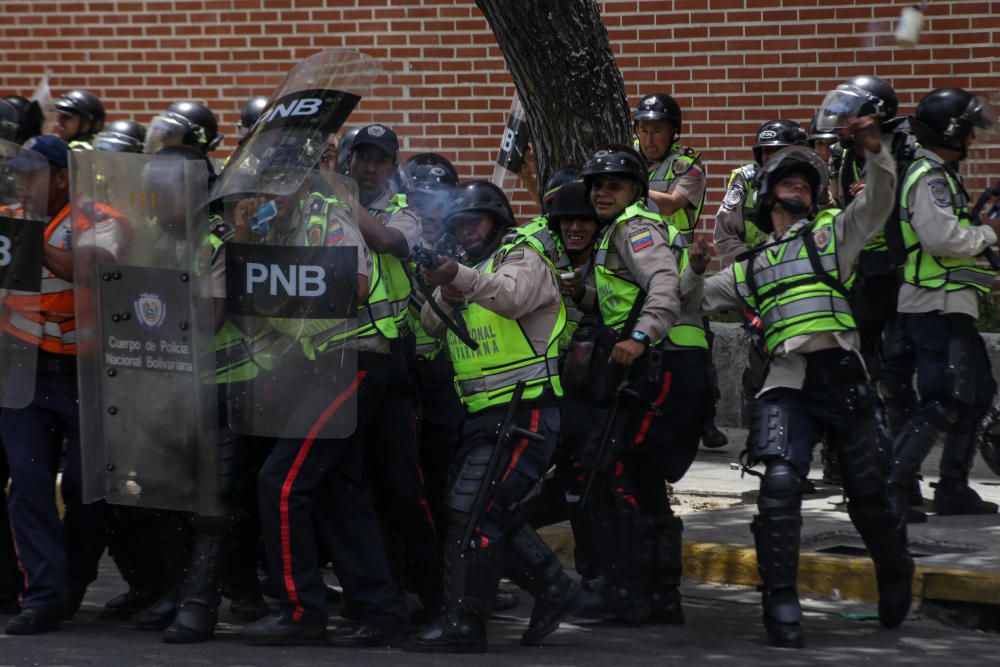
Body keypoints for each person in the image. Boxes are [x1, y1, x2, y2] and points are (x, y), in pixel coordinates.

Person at [686, 119, 913, 648]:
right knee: (780, 488)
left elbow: (877, 204)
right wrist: (694, 270)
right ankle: (780, 600)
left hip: (842, 374)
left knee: (868, 494)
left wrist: (876, 153)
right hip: (787, 381)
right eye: (790, 181)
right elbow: (690, 301)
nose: (800, 187)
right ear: (768, 196)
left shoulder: (833, 235)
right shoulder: (752, 266)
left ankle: (895, 568)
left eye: (806, 183)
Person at [226, 149, 411, 647]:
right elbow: (250, 305)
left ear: (302, 185)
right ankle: (381, 610)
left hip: (353, 361)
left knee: (281, 483)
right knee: (340, 492)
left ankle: (300, 611)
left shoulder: (325, 216)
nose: (268, 198)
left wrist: (292, 272)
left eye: (278, 187)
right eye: (261, 190)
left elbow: (355, 281)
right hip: (316, 366)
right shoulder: (270, 228)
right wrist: (247, 238)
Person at [407, 181, 582, 653]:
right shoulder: (472, 271)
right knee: (484, 510)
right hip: (486, 417)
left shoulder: (521, 256)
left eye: (474, 222)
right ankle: (554, 586)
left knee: (473, 512)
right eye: (458, 226)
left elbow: (510, 299)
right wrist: (446, 283)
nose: (465, 232)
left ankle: (464, 624)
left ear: (498, 221)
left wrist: (458, 277)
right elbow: (429, 327)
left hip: (525, 412)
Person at [573, 145, 708, 625]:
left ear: (634, 189)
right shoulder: (620, 231)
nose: (602, 192)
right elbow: (626, 296)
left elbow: (664, 288)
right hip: (665, 361)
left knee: (616, 472)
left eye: (614, 184)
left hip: (664, 361)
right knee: (643, 479)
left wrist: (637, 337)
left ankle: (627, 590)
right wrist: (584, 294)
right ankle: (661, 594)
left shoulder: (635, 227)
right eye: (596, 184)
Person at [1, 136, 127, 634]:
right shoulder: (9, 215)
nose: (23, 182)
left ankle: (72, 584)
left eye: (33, 173)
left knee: (85, 490)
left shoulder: (100, 218)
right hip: (23, 377)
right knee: (28, 486)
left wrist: (28, 237)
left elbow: (88, 269)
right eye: (20, 173)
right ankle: (45, 597)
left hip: (87, 376)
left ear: (59, 177)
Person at [343, 124, 443, 622]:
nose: (369, 165)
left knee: (404, 487)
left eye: (380, 159)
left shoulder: (404, 214)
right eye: (361, 155)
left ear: (392, 166)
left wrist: (338, 196)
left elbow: (383, 241)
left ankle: (436, 597)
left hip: (390, 364)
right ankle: (376, 595)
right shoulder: (326, 208)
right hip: (339, 361)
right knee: (352, 485)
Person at [887, 88, 1000, 517]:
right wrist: (990, 232)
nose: (972, 140)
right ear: (951, 131)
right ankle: (893, 488)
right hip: (933, 304)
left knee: (975, 395)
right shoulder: (929, 177)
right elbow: (941, 239)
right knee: (942, 398)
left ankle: (952, 487)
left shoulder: (941, 174)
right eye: (968, 131)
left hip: (951, 306)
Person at [713, 120, 809, 264]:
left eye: (777, 151)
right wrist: (758, 264)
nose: (770, 157)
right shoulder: (745, 179)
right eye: (766, 151)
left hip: (800, 266)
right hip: (751, 269)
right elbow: (724, 236)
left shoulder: (810, 182)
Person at [144, 101, 222, 156]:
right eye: (161, 133)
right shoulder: (152, 169)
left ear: (193, 140)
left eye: (169, 134)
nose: (162, 139)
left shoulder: (203, 177)